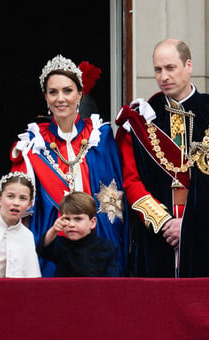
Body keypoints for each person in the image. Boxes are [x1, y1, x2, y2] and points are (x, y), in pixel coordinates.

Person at [115, 38, 209, 277]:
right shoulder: (140, 118)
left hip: (207, 235)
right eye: (157, 69)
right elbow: (130, 181)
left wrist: (189, 226)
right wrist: (164, 222)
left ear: (188, 66)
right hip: (157, 236)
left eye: (170, 68)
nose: (163, 76)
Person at [10, 54, 128, 277]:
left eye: (67, 90)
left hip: (97, 246)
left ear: (80, 94)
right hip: (53, 248)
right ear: (45, 97)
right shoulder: (33, 143)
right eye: (53, 92)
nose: (60, 98)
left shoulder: (100, 136)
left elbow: (114, 198)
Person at [37, 191, 121, 277]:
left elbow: (112, 282)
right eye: (67, 219)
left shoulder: (107, 248)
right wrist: (54, 230)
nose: (71, 224)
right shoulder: (61, 245)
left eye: (78, 219)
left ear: (92, 222)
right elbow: (42, 248)